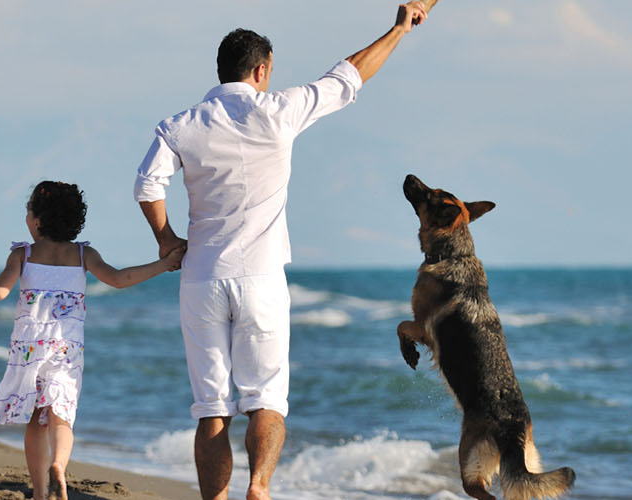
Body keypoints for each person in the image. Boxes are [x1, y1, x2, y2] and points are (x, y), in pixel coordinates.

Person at [131, 3, 433, 499]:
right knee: (266, 399)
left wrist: (166, 241)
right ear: (262, 68)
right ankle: (260, 489)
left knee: (211, 408)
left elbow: (147, 185)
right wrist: (400, 27)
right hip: (261, 278)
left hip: (202, 278)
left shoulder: (181, 125)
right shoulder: (277, 112)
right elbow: (350, 76)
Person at [0, 181, 183, 500]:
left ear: (36, 220)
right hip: (66, 347)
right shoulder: (83, 254)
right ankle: (59, 465)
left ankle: (38, 491)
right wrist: (163, 264)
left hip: (30, 346)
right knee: (61, 416)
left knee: (36, 419)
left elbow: (0, 290)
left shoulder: (24, 253)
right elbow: (119, 279)